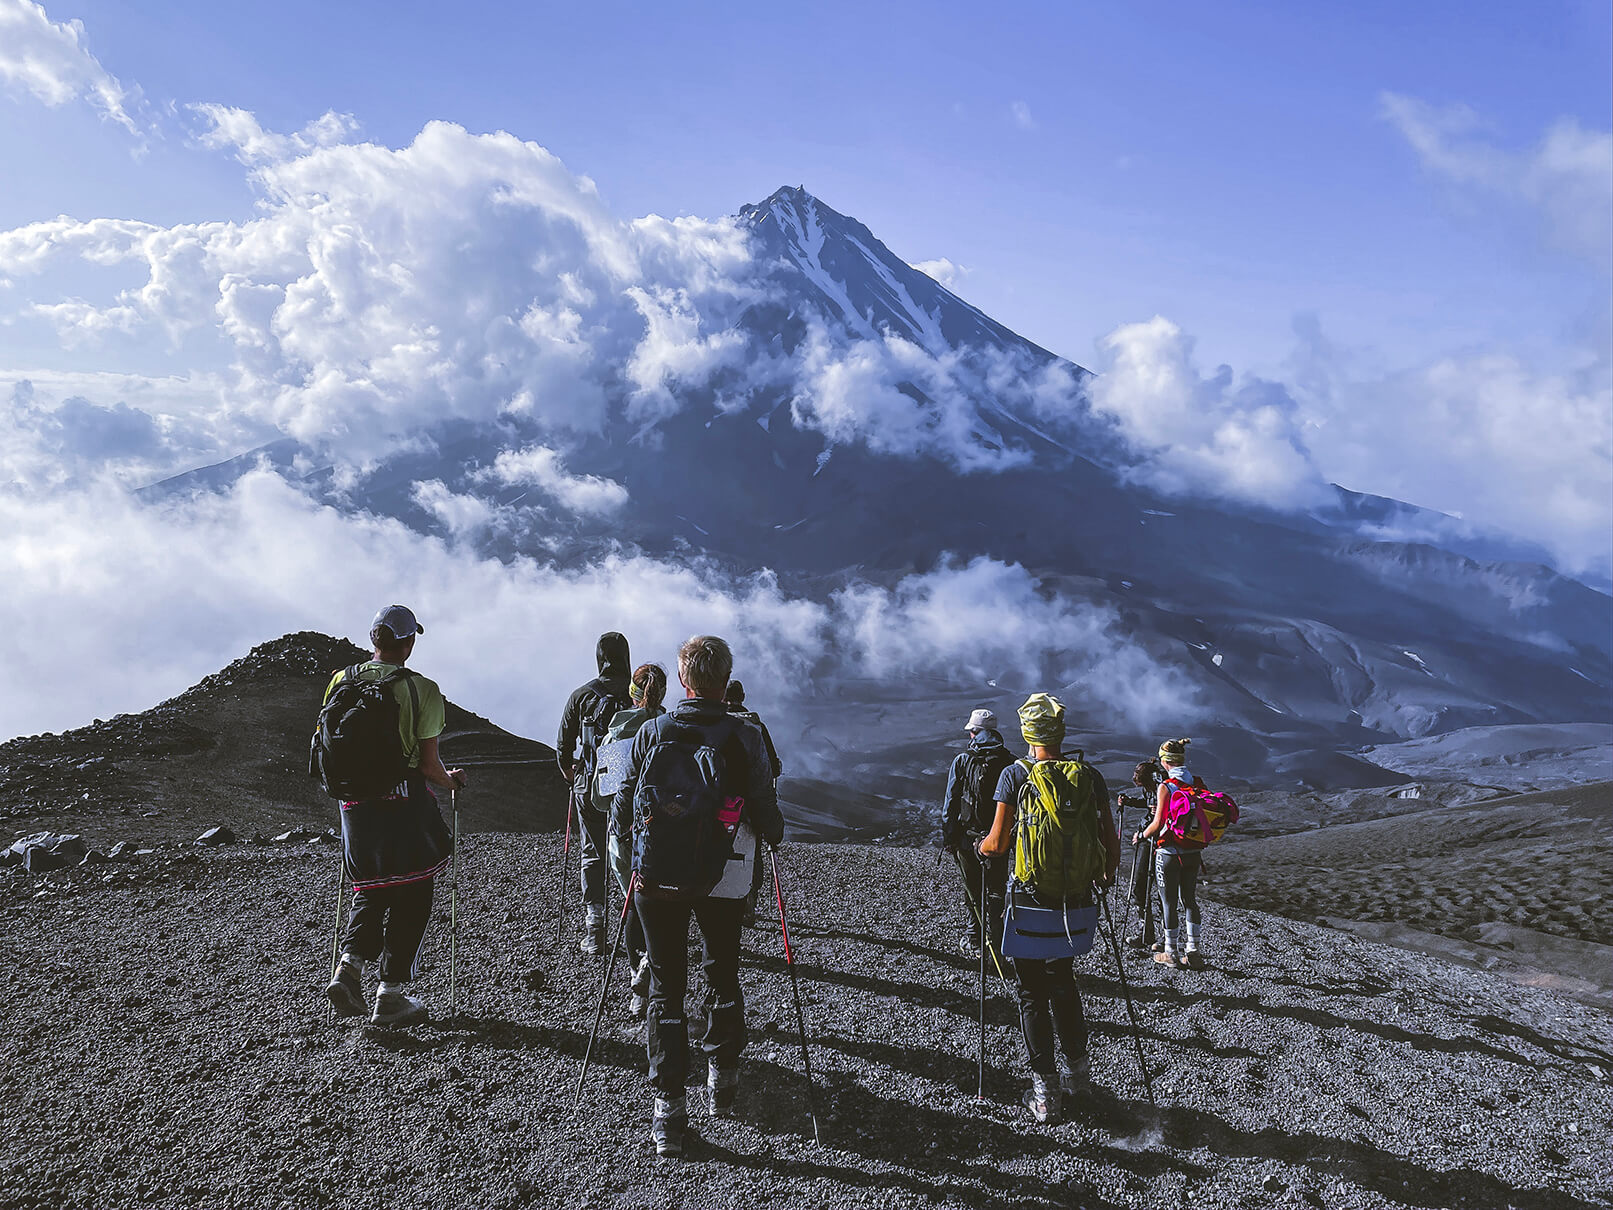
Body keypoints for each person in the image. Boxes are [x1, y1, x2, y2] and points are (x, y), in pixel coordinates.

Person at [610, 635, 784, 1158]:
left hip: (656, 873)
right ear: (725, 681)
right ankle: (721, 1082)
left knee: (666, 984)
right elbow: (764, 805)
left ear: (684, 680)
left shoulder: (651, 729)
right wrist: (772, 834)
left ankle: (668, 1112)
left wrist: (633, 855)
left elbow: (622, 806)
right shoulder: (744, 735)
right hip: (723, 873)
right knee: (722, 968)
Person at [977, 694, 1119, 1124]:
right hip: (1074, 905)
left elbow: (998, 844)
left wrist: (978, 847)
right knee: (1065, 984)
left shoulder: (1014, 776)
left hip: (1028, 905)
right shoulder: (1090, 777)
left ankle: (1046, 1096)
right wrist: (1103, 877)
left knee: (1030, 994)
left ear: (1027, 733)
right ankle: (1080, 1081)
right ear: (1060, 731)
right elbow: (1110, 845)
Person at [324, 605, 468, 1026]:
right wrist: (451, 781)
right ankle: (391, 994)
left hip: (354, 807)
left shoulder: (339, 681)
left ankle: (349, 968)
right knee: (414, 890)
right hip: (402, 802)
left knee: (370, 885)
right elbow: (428, 767)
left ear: (374, 640)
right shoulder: (421, 689)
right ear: (408, 643)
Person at [598, 662, 669, 1017]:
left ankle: (638, 985)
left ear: (631, 692)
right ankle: (657, 976)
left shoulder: (616, 735)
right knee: (663, 907)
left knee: (633, 903)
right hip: (667, 834)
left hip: (623, 835)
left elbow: (600, 797)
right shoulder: (673, 730)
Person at [557, 632, 633, 954]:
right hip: (628, 789)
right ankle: (637, 923)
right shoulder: (638, 697)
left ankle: (595, 926)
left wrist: (572, 776)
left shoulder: (582, 696)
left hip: (589, 787)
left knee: (593, 850)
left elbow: (563, 747)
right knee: (631, 851)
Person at [940, 708, 1014, 959]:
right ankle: (998, 938)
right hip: (1000, 838)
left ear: (974, 733)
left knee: (972, 888)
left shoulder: (962, 760)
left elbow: (950, 802)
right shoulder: (1010, 762)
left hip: (968, 837)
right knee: (996, 888)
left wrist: (949, 837)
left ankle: (975, 938)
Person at [1136, 738, 1207, 969]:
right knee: (1190, 900)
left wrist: (1141, 836)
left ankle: (1171, 953)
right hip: (1193, 852)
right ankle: (1194, 951)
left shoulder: (1166, 787)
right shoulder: (1197, 782)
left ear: (1166, 762)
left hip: (1168, 852)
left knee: (1169, 902)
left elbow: (1157, 824)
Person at [724, 679, 781, 927]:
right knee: (752, 851)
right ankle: (749, 901)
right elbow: (773, 766)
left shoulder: (715, 723)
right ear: (743, 696)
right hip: (750, 802)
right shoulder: (756, 726)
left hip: (719, 800)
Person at [1121, 759, 1164, 950]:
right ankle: (1147, 935)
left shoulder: (1163, 787)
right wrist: (1129, 802)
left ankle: (1164, 938)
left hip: (1158, 842)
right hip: (1148, 841)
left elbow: (1158, 814)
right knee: (1141, 886)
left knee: (1160, 890)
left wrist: (1142, 834)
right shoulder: (1151, 788)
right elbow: (1148, 804)